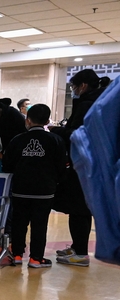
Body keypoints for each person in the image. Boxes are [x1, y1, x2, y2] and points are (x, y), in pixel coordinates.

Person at [2, 104, 67, 268]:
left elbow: (7, 165)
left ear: (27, 120)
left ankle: (16, 254)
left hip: (20, 190)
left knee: (18, 222)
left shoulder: (17, 140)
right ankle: (36, 259)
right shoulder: (55, 140)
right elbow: (61, 166)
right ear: (47, 121)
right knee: (40, 224)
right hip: (45, 191)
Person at [53, 69, 104, 267]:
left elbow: (80, 134)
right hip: (92, 164)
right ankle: (77, 246)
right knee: (79, 208)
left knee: (79, 208)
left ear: (82, 86)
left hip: (83, 164)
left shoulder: (87, 105)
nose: (73, 91)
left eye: (74, 87)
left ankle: (81, 253)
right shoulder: (100, 102)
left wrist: (58, 131)